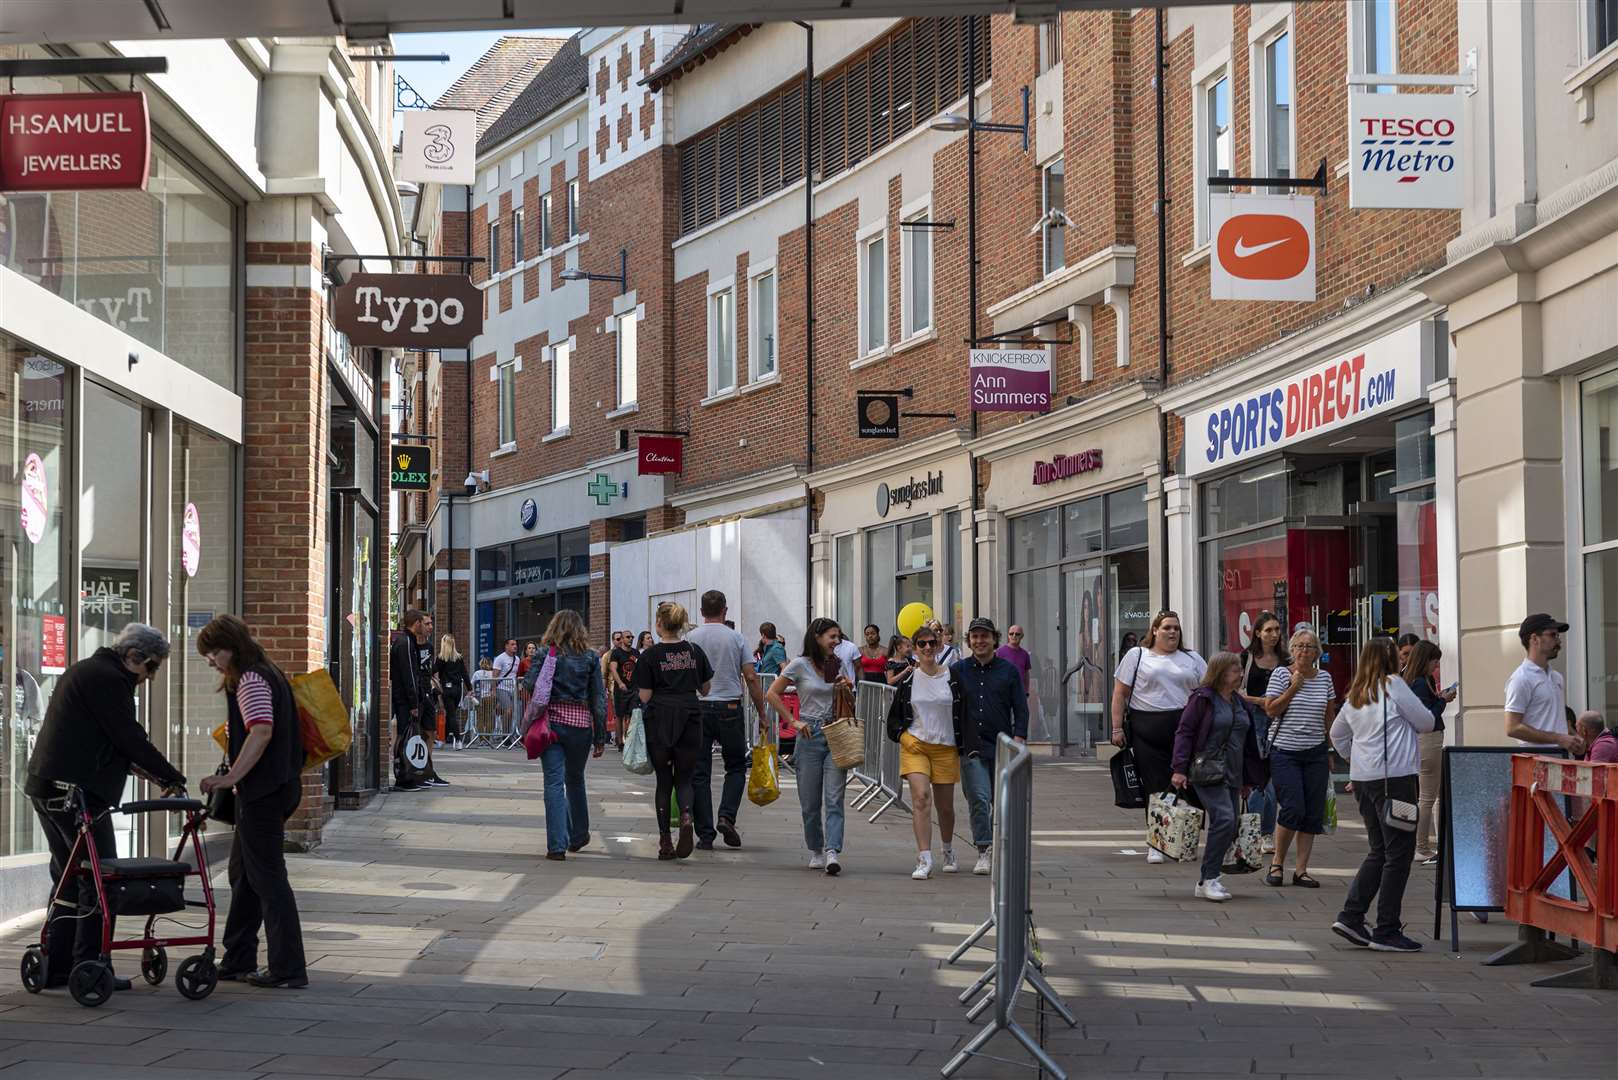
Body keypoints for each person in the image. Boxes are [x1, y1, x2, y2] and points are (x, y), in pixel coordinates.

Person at [26, 623, 186, 990]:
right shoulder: (109, 680)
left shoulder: (87, 671)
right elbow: (128, 737)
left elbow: (99, 739)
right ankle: (90, 965)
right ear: (134, 657)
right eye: (152, 668)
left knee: (69, 879)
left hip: (50, 787)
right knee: (99, 880)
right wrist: (172, 777)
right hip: (75, 796)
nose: (150, 677)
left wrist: (147, 772)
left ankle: (61, 965)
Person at [197, 615, 309, 988]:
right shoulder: (266, 672)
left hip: (263, 792)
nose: (211, 661)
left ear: (230, 647)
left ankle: (287, 968)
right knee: (244, 876)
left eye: (213, 653)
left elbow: (260, 732)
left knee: (268, 879)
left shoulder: (251, 679)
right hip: (274, 787)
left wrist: (230, 777)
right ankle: (238, 957)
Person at [1328, 638, 1435, 953]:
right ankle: (1386, 929)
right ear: (1391, 659)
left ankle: (1351, 915)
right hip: (1396, 780)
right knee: (1399, 854)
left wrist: (1357, 760)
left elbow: (1337, 735)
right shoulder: (1394, 685)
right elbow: (1426, 722)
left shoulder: (1356, 694)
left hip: (1365, 781)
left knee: (1379, 850)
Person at [1110, 611, 1207, 864]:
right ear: (1154, 630)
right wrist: (1116, 728)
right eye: (1166, 628)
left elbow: (1207, 691)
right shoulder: (1137, 655)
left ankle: (1184, 839)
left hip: (1185, 729)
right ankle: (1157, 842)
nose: (1172, 632)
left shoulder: (1192, 658)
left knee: (1186, 785)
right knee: (1155, 786)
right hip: (1147, 728)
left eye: (1176, 628)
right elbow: (1120, 693)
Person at [1170, 652, 1268, 902]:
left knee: (1229, 822)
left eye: (1240, 669)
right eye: (1235, 670)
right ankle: (1208, 878)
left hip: (1233, 771)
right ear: (1221, 673)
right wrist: (1179, 768)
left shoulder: (1239, 702)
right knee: (1224, 818)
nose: (1241, 673)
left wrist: (1248, 779)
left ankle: (1210, 877)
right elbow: (1185, 732)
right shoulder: (1203, 699)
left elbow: (1247, 743)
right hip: (1207, 770)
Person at [767, 618, 853, 875]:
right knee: (810, 801)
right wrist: (792, 720)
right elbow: (772, 693)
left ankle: (832, 851)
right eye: (832, 637)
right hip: (809, 735)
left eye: (838, 637)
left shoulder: (833, 663)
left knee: (835, 797)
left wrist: (845, 689)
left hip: (835, 732)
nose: (837, 642)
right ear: (817, 638)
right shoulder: (799, 665)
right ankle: (816, 848)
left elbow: (841, 695)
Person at [687, 590, 768, 850]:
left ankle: (705, 834)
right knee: (734, 766)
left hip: (699, 708)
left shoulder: (690, 638)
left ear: (701, 612)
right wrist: (762, 713)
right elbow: (751, 678)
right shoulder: (736, 638)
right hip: (730, 707)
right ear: (725, 610)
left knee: (700, 772)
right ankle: (726, 815)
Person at [525, 610, 607, 860]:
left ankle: (557, 846)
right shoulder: (591, 657)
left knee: (553, 783)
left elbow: (529, 684)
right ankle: (579, 834)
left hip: (550, 726)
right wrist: (600, 735)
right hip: (580, 727)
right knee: (575, 779)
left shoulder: (545, 653)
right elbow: (599, 699)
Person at [633, 601, 713, 860]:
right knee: (685, 778)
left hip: (660, 718)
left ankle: (665, 841)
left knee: (664, 782)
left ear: (658, 625)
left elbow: (644, 696)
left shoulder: (649, 656)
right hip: (690, 715)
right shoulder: (693, 650)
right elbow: (706, 689)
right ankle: (687, 814)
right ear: (680, 624)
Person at [886, 626, 966, 879]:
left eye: (932, 643)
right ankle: (924, 858)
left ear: (939, 643)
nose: (928, 648)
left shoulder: (952, 677)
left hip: (945, 747)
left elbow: (965, 712)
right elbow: (894, 719)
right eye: (922, 644)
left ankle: (948, 849)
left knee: (945, 808)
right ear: (915, 648)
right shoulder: (909, 679)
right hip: (916, 745)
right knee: (920, 798)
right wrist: (904, 737)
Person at [1262, 627, 1338, 888]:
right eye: (1300, 646)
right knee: (1293, 807)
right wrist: (1293, 688)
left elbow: (1329, 718)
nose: (1305, 651)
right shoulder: (1282, 674)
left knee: (1312, 813)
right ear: (1292, 650)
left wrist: (1329, 750)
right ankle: (1277, 863)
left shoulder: (1325, 678)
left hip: (1315, 752)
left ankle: (1301, 870)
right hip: (1285, 752)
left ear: (1318, 652)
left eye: (1310, 647)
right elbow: (1271, 710)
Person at [954, 617, 1029, 876]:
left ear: (994, 639)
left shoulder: (1008, 671)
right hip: (971, 746)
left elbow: (1020, 707)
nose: (979, 641)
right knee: (978, 798)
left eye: (984, 636)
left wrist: (1019, 738)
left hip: (1001, 745)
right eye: (974, 637)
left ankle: (1005, 848)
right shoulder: (959, 670)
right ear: (969, 641)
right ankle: (983, 851)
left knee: (1002, 801)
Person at [1401, 640, 1454, 863]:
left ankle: (1430, 844)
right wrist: (1442, 700)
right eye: (1434, 662)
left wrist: (1438, 697)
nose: (1436, 667)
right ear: (1426, 660)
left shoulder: (1410, 679)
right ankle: (1421, 847)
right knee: (1428, 797)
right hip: (1428, 740)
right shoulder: (1421, 682)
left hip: (1422, 741)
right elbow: (1428, 715)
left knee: (1432, 795)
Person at [1242, 612, 1288, 854]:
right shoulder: (1246, 659)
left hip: (1281, 722)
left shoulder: (1286, 660)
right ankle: (1254, 830)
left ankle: (1266, 832)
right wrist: (1263, 701)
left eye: (1277, 630)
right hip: (1253, 723)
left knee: (1272, 781)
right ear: (1257, 632)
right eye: (1268, 630)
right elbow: (1238, 693)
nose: (1273, 634)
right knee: (1257, 779)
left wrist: (1263, 701)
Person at [1504, 614, 1583, 755]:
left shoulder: (1556, 677)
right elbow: (1512, 727)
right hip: (1535, 763)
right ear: (1534, 639)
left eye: (1558, 636)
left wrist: (1573, 738)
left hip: (1560, 759)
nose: (1558, 641)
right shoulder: (1521, 679)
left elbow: (1553, 717)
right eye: (1553, 635)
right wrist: (1558, 738)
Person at [389, 610, 430, 791]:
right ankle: (403, 776)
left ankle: (407, 773)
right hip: (404, 699)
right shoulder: (405, 642)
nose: (425, 625)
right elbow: (409, 675)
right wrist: (413, 703)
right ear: (416, 623)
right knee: (404, 735)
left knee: (405, 735)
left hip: (405, 698)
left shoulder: (407, 641)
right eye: (423, 622)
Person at [414, 613, 448, 785]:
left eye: (431, 623)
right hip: (414, 694)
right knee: (414, 732)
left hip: (428, 693)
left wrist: (439, 698)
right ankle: (415, 770)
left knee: (430, 732)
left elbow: (432, 673)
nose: (430, 627)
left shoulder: (429, 646)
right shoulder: (410, 645)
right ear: (418, 624)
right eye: (427, 624)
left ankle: (428, 771)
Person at [436, 635, 471, 751]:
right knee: (451, 714)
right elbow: (465, 674)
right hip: (457, 690)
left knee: (451, 715)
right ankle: (442, 740)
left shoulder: (441, 658)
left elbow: (433, 671)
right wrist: (470, 689)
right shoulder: (459, 658)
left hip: (446, 689)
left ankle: (458, 740)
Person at [608, 630, 640, 750]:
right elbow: (613, 669)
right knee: (620, 716)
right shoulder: (616, 653)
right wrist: (620, 683)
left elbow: (640, 668)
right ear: (622, 639)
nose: (631, 639)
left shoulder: (636, 653)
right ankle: (620, 742)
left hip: (634, 689)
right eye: (628, 637)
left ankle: (628, 739)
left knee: (633, 714)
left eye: (632, 637)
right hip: (621, 690)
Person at [492, 638, 520, 738]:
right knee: (509, 710)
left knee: (511, 712)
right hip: (502, 687)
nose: (515, 646)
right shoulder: (500, 658)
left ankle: (506, 732)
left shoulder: (517, 659)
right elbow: (494, 675)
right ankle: (505, 736)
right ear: (506, 646)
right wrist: (494, 690)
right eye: (512, 644)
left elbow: (516, 675)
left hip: (513, 689)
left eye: (515, 644)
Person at [997, 625, 1033, 697]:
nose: (1014, 636)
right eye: (1011, 633)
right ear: (1008, 635)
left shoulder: (1025, 654)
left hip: (1020, 694)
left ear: (1022, 636)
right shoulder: (999, 652)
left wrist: (1026, 691)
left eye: (1017, 634)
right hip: (1004, 693)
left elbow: (1026, 674)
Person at [473, 656, 497, 742]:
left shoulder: (477, 673)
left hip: (479, 697)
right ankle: (487, 738)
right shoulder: (492, 673)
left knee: (480, 718)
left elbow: (472, 685)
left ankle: (481, 738)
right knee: (489, 717)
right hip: (490, 697)